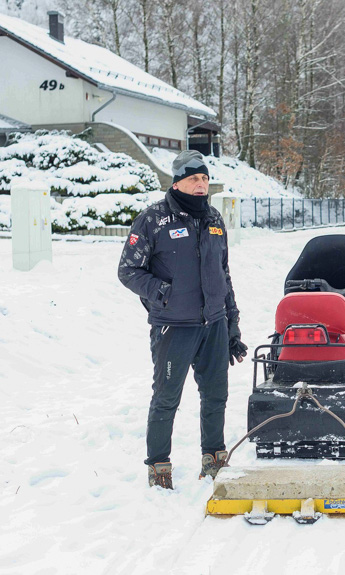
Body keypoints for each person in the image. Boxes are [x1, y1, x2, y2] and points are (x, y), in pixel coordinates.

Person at [118, 150, 248, 489]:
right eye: (194, 178)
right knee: (166, 397)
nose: (201, 185)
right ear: (178, 182)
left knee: (216, 394)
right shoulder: (154, 219)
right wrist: (162, 292)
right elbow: (127, 270)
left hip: (214, 324)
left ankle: (214, 457)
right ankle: (159, 466)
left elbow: (223, 274)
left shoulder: (214, 220)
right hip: (174, 327)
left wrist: (232, 326)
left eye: (204, 178)